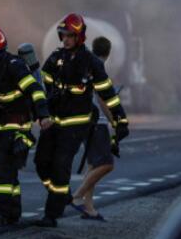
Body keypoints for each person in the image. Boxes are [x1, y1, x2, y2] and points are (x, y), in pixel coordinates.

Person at [34, 14, 129, 228]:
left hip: (75, 125)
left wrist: (121, 121)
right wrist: (42, 113)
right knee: (41, 163)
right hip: (53, 123)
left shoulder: (92, 63)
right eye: (63, 35)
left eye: (70, 36)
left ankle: (51, 215)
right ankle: (62, 194)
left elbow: (108, 94)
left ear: (80, 37)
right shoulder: (55, 58)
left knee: (60, 166)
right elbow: (42, 87)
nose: (65, 39)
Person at [0, 26, 53, 225]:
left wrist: (43, 115)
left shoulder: (13, 65)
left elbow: (35, 90)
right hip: (1, 127)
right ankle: (13, 211)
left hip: (16, 128)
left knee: (2, 171)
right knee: (10, 173)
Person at [70, 36, 127, 221]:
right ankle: (77, 196)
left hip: (84, 121)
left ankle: (89, 208)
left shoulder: (85, 66)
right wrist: (114, 121)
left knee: (93, 164)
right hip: (97, 123)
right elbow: (103, 100)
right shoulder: (99, 68)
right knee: (106, 164)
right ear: (108, 52)